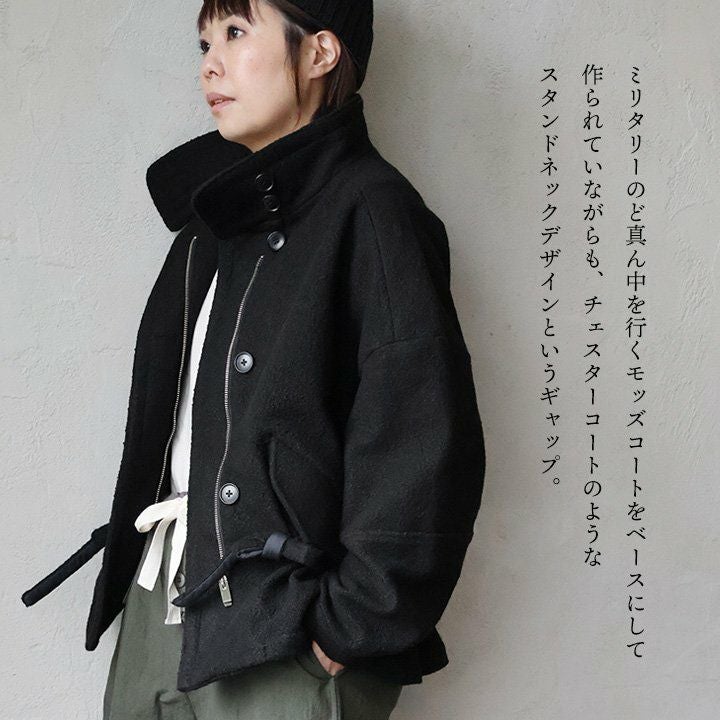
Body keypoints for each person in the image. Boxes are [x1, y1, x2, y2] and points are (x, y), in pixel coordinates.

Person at [20, 0, 486, 718]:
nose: (210, 64)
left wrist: (350, 625)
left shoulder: (373, 212)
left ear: (320, 53)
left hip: (284, 630)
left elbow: (421, 440)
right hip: (163, 593)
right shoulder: (212, 225)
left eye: (236, 33)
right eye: (205, 42)